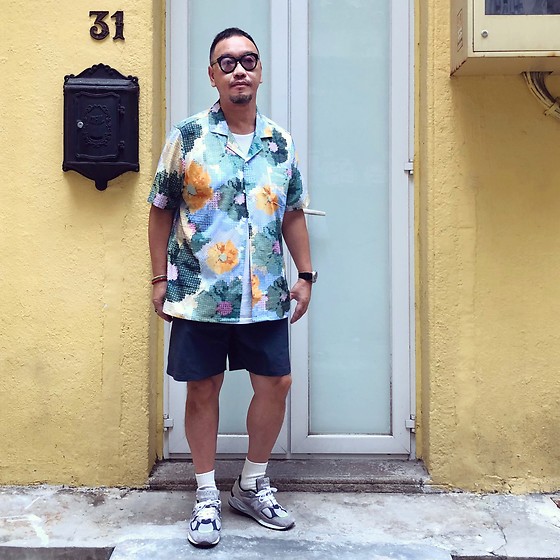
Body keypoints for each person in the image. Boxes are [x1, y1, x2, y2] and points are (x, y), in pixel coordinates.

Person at [147, 27, 316, 548]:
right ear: (212, 75)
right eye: (227, 62)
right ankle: (205, 494)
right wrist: (159, 278)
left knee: (276, 383)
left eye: (248, 60)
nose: (239, 70)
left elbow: (292, 212)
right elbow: (159, 210)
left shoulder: (280, 142)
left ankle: (250, 484)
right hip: (200, 290)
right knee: (203, 387)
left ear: (259, 71)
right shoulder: (188, 137)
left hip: (265, 291)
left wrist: (305, 274)